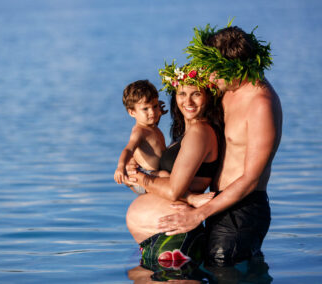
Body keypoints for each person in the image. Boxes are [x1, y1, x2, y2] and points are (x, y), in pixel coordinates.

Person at [157, 25, 283, 267]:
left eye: (215, 70)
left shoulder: (260, 104)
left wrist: (197, 215)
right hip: (217, 204)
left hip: (243, 209)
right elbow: (189, 103)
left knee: (227, 272)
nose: (210, 77)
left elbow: (250, 179)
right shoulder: (228, 88)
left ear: (235, 67)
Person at [125, 62, 224, 269]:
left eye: (196, 94)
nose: (187, 100)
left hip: (173, 237)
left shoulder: (199, 132)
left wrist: (140, 177)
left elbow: (173, 190)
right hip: (161, 237)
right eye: (181, 94)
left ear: (207, 96)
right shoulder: (185, 134)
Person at [113, 79, 167, 195]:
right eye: (145, 109)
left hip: (153, 173)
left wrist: (159, 113)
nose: (152, 112)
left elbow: (153, 128)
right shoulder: (139, 131)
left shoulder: (150, 126)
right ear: (132, 113)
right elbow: (128, 149)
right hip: (145, 176)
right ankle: (189, 197)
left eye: (155, 106)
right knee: (166, 176)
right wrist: (121, 167)